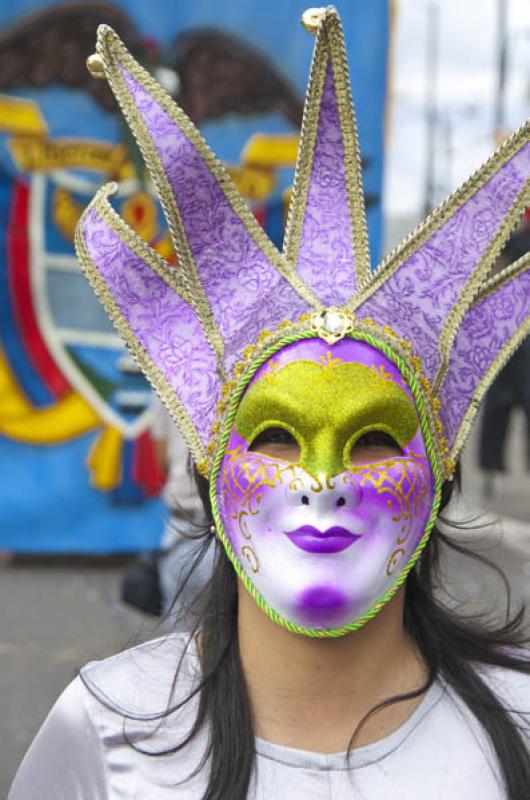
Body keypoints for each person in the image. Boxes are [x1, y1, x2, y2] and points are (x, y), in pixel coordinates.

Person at [9, 8, 530, 799]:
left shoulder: (517, 723)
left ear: (441, 468)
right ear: (211, 459)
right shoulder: (110, 729)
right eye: (278, 435)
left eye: (375, 441)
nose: (325, 481)